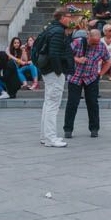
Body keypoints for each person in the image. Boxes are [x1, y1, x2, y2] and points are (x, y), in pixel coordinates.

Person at [34, 9, 76, 147]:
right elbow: (54, 54)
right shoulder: (58, 31)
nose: (71, 19)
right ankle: (51, 138)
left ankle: (45, 136)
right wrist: (59, 71)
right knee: (53, 105)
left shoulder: (51, 29)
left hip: (48, 71)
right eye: (70, 17)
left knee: (48, 104)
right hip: (53, 72)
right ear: (62, 18)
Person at [64, 26, 110, 139]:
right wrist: (77, 59)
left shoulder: (101, 46)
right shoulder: (78, 42)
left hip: (91, 78)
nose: (95, 44)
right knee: (72, 103)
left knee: (93, 103)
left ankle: (94, 129)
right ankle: (68, 129)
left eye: (97, 42)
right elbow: (66, 54)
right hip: (75, 77)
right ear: (88, 36)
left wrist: (101, 73)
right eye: (93, 42)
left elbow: (108, 60)